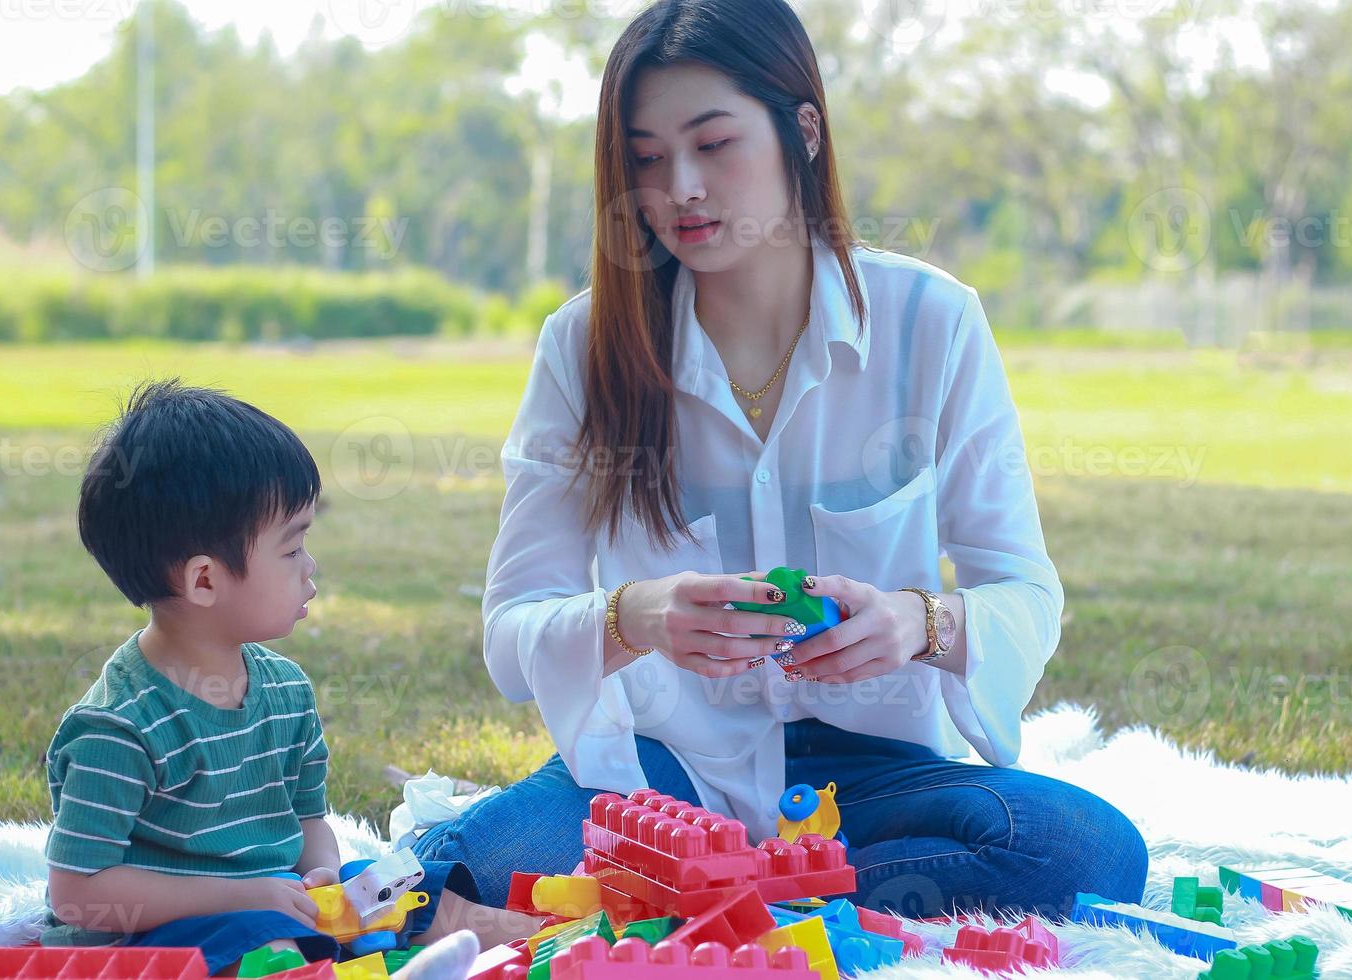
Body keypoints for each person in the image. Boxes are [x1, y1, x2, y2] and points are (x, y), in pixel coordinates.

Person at [416, 0, 1149, 920]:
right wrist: (635, 615)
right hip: (659, 776)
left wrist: (916, 623)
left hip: (871, 783)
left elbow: (1025, 593)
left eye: (713, 144)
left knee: (1081, 851)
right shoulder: (584, 346)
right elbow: (512, 632)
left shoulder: (931, 325)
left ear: (803, 130)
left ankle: (690, 908)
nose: (679, 185)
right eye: (645, 157)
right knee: (455, 873)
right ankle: (767, 909)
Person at [42, 381, 535, 976]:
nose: (311, 566)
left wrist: (320, 872)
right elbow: (77, 895)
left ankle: (518, 940)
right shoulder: (119, 729)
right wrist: (246, 895)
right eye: (292, 547)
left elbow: (306, 823)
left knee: (381, 883)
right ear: (204, 581)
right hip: (160, 938)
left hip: (270, 898)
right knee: (266, 934)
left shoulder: (285, 691)